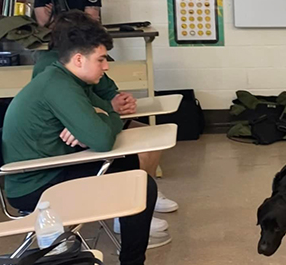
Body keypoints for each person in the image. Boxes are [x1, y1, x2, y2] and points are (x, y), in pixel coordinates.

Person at [1, 11, 176, 265]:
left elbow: (105, 116)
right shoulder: (59, 85)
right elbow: (103, 138)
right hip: (34, 184)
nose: (106, 66)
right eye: (101, 59)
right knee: (141, 184)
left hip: (46, 168)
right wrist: (102, 119)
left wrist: (101, 117)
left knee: (129, 165)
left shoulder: (70, 79)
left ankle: (127, 231)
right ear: (79, 59)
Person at [31, 18, 180, 231]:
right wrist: (106, 111)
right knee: (128, 157)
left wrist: (118, 101)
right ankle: (127, 212)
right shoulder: (54, 70)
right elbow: (72, 112)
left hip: (95, 121)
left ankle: (145, 198)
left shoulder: (85, 64)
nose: (105, 65)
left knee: (150, 137)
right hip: (71, 137)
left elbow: (107, 92)